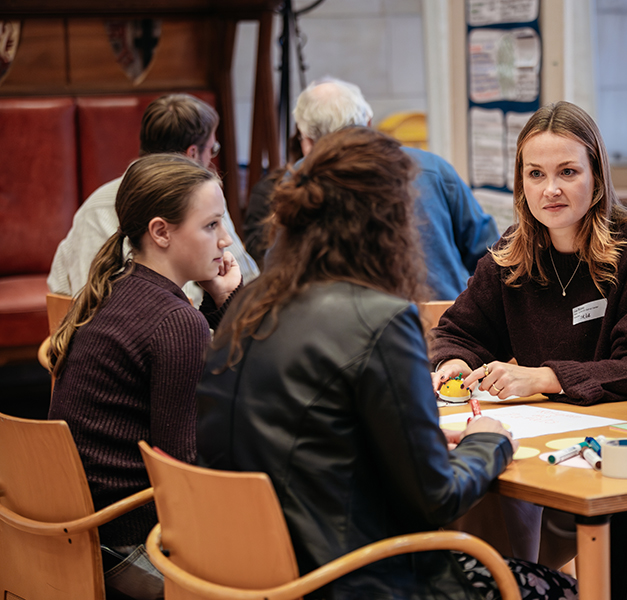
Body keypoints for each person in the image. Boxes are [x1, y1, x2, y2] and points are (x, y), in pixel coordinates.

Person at [195, 127, 577, 600]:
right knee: (560, 588)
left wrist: (415, 442)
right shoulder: (378, 320)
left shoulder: (251, 303)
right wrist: (488, 443)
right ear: (390, 221)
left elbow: (311, 437)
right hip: (354, 579)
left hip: (249, 571)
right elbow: (435, 499)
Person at [427, 101, 627, 563]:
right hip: (539, 445)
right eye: (535, 174)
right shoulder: (511, 252)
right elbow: (458, 331)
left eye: (568, 172)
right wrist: (454, 362)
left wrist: (544, 378)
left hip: (615, 451)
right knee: (470, 491)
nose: (550, 190)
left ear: (596, 176)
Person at [47, 153, 242, 600]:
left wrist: (221, 300)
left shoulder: (118, 286)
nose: (226, 240)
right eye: (211, 225)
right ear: (161, 232)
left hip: (83, 533)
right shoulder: (175, 322)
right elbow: (185, 475)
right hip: (131, 544)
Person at [241, 77, 499, 299]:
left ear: (306, 139)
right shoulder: (433, 167)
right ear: (369, 121)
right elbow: (489, 253)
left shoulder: (300, 176)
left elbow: (278, 268)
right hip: (449, 324)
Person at [48, 93, 259, 306]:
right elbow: (249, 286)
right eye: (212, 150)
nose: (225, 240)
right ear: (193, 154)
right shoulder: (203, 198)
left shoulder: (93, 206)